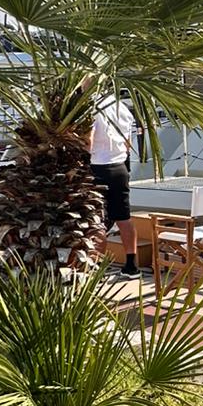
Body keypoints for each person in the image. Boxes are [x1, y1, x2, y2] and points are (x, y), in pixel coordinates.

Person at [90, 88, 140, 278]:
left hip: (97, 167)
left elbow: (88, 143)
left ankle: (97, 267)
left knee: (97, 220)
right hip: (119, 167)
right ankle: (131, 265)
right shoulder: (122, 107)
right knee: (123, 217)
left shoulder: (92, 108)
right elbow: (128, 143)